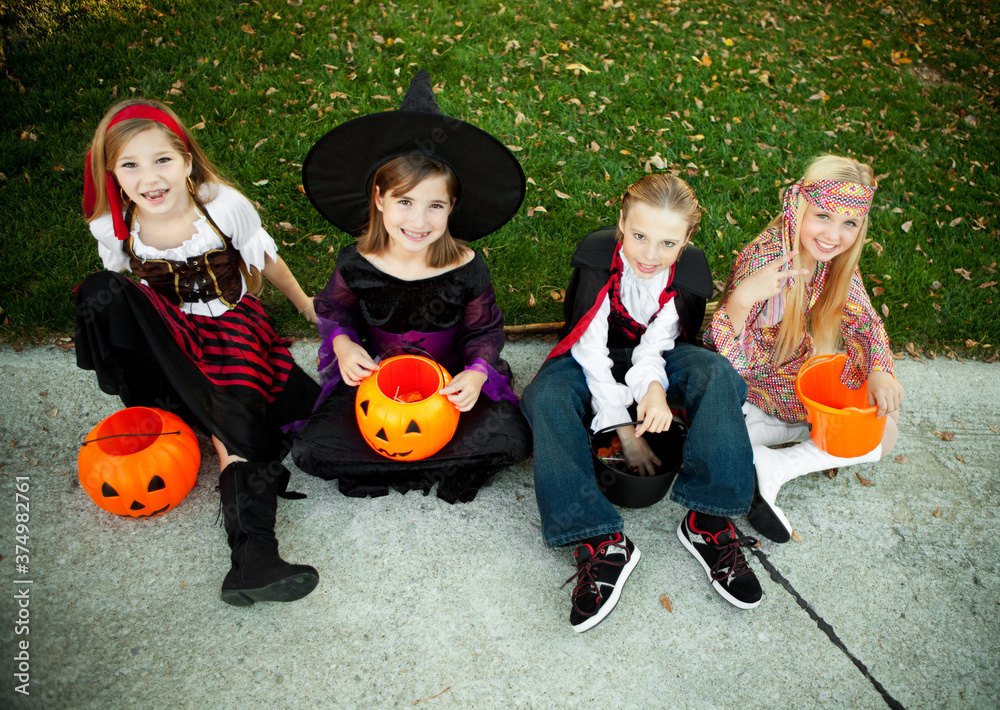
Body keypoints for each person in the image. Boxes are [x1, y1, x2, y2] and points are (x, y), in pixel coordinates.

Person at [76, 99, 321, 606]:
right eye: (130, 165)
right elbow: (128, 290)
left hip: (231, 326)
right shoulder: (114, 225)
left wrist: (304, 305)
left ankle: (254, 558)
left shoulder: (221, 205)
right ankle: (159, 385)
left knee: (233, 431)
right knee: (98, 289)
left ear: (186, 159)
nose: (150, 178)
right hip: (172, 336)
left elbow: (266, 259)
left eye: (162, 159)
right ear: (114, 174)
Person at [521, 173, 763, 633]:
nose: (650, 255)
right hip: (591, 355)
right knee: (547, 396)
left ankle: (708, 519)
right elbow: (590, 350)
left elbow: (657, 346)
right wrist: (618, 422)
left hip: (655, 356)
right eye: (639, 236)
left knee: (715, 375)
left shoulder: (681, 277)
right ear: (621, 223)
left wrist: (652, 388)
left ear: (688, 239)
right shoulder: (599, 264)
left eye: (668, 243)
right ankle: (599, 539)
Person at [290, 70, 532, 503]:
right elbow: (335, 311)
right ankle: (439, 459)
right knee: (311, 450)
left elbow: (484, 331)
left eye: (434, 205)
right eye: (404, 202)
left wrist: (477, 374)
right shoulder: (358, 263)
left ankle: (415, 457)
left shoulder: (467, 267)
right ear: (379, 198)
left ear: (452, 206)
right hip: (375, 381)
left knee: (513, 439)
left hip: (451, 382)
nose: (419, 222)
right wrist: (344, 347)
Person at [708, 154, 904, 543]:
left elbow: (864, 321)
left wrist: (880, 368)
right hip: (746, 392)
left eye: (849, 223)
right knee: (710, 448)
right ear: (800, 208)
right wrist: (741, 301)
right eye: (824, 216)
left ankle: (775, 464)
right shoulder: (770, 261)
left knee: (884, 433)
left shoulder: (831, 261)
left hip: (786, 387)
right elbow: (726, 361)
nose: (834, 234)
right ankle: (743, 445)